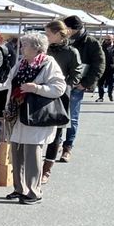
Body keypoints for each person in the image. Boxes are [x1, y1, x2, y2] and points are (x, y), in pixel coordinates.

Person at [3, 32, 67, 203]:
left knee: (32, 154)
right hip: (17, 114)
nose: (22, 47)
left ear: (36, 47)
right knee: (16, 153)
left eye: (25, 45)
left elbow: (59, 87)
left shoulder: (48, 63)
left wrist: (36, 88)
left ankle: (34, 192)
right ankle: (19, 188)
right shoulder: (22, 63)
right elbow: (10, 83)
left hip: (35, 116)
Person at [58, 15, 104, 162]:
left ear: (72, 29)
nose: (64, 30)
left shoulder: (91, 42)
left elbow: (100, 65)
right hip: (60, 83)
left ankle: (67, 147)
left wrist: (86, 83)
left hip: (77, 85)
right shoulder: (63, 40)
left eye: (66, 28)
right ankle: (55, 145)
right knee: (57, 115)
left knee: (72, 117)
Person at [41, 20, 80, 186]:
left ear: (58, 33)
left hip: (61, 96)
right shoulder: (44, 48)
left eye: (48, 33)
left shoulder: (71, 52)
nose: (46, 36)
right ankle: (34, 167)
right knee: (39, 130)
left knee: (57, 132)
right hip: (41, 93)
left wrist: (64, 86)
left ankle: (47, 169)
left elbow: (76, 73)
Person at [98, 34, 114, 102]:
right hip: (102, 68)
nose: (107, 41)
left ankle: (110, 94)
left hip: (112, 68)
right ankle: (101, 96)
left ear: (112, 39)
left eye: (109, 39)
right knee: (100, 83)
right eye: (106, 39)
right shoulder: (101, 46)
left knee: (111, 83)